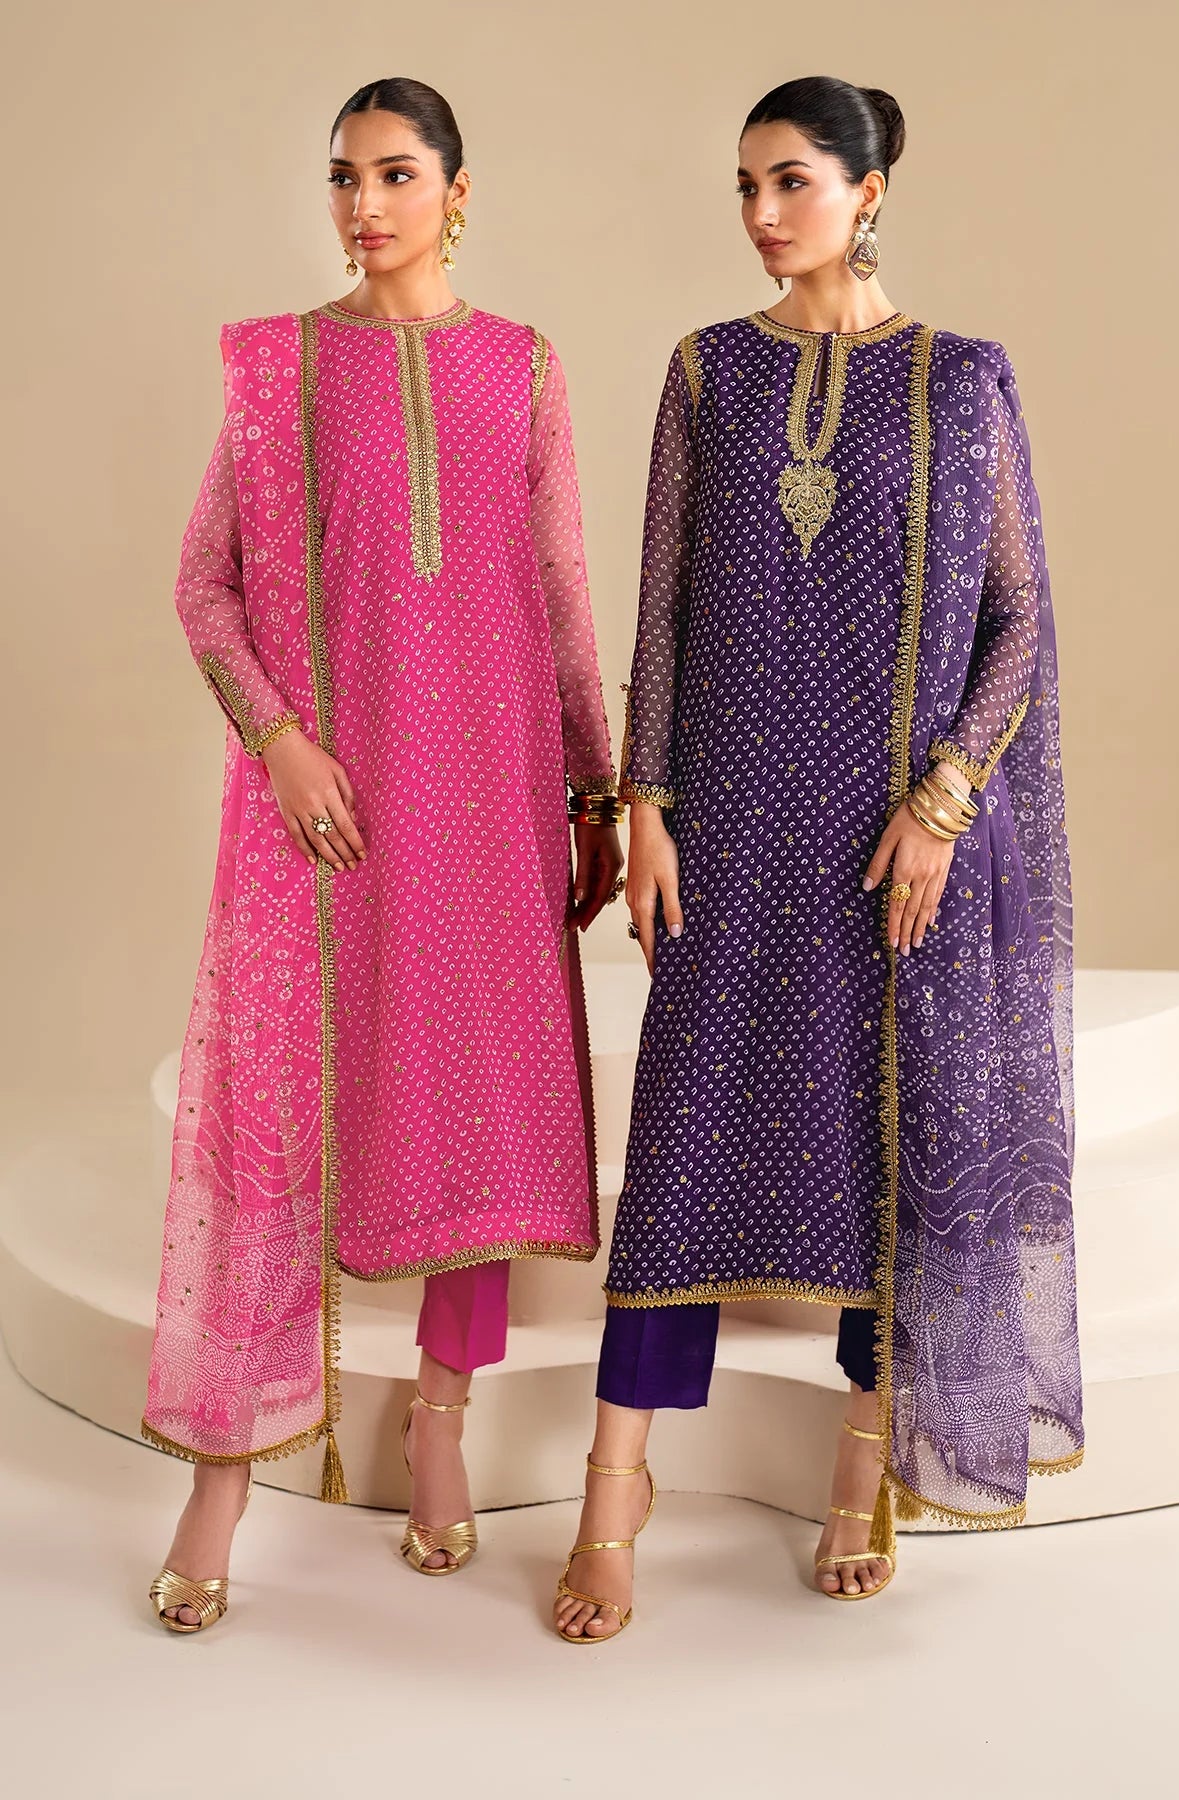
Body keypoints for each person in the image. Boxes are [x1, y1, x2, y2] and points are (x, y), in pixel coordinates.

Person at [553, 74, 1082, 1643]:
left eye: (790, 181)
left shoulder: (962, 380)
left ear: (869, 191)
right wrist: (646, 801)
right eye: (745, 186)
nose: (762, 213)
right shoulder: (708, 371)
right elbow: (661, 601)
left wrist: (943, 803)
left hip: (884, 848)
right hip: (727, 828)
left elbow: (1018, 620)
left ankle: (865, 1470)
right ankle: (612, 1494)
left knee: (887, 1143)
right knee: (684, 1144)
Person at [144, 75, 623, 1632]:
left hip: (490, 792)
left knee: (479, 1105)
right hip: (334, 812)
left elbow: (559, 585)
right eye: (346, 176)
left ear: (457, 194)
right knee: (280, 1113)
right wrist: (280, 743)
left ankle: (438, 1423)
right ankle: (221, 1475)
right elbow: (204, 587)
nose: (366, 204)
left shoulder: (524, 366)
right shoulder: (278, 369)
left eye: (398, 174)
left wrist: (597, 788)